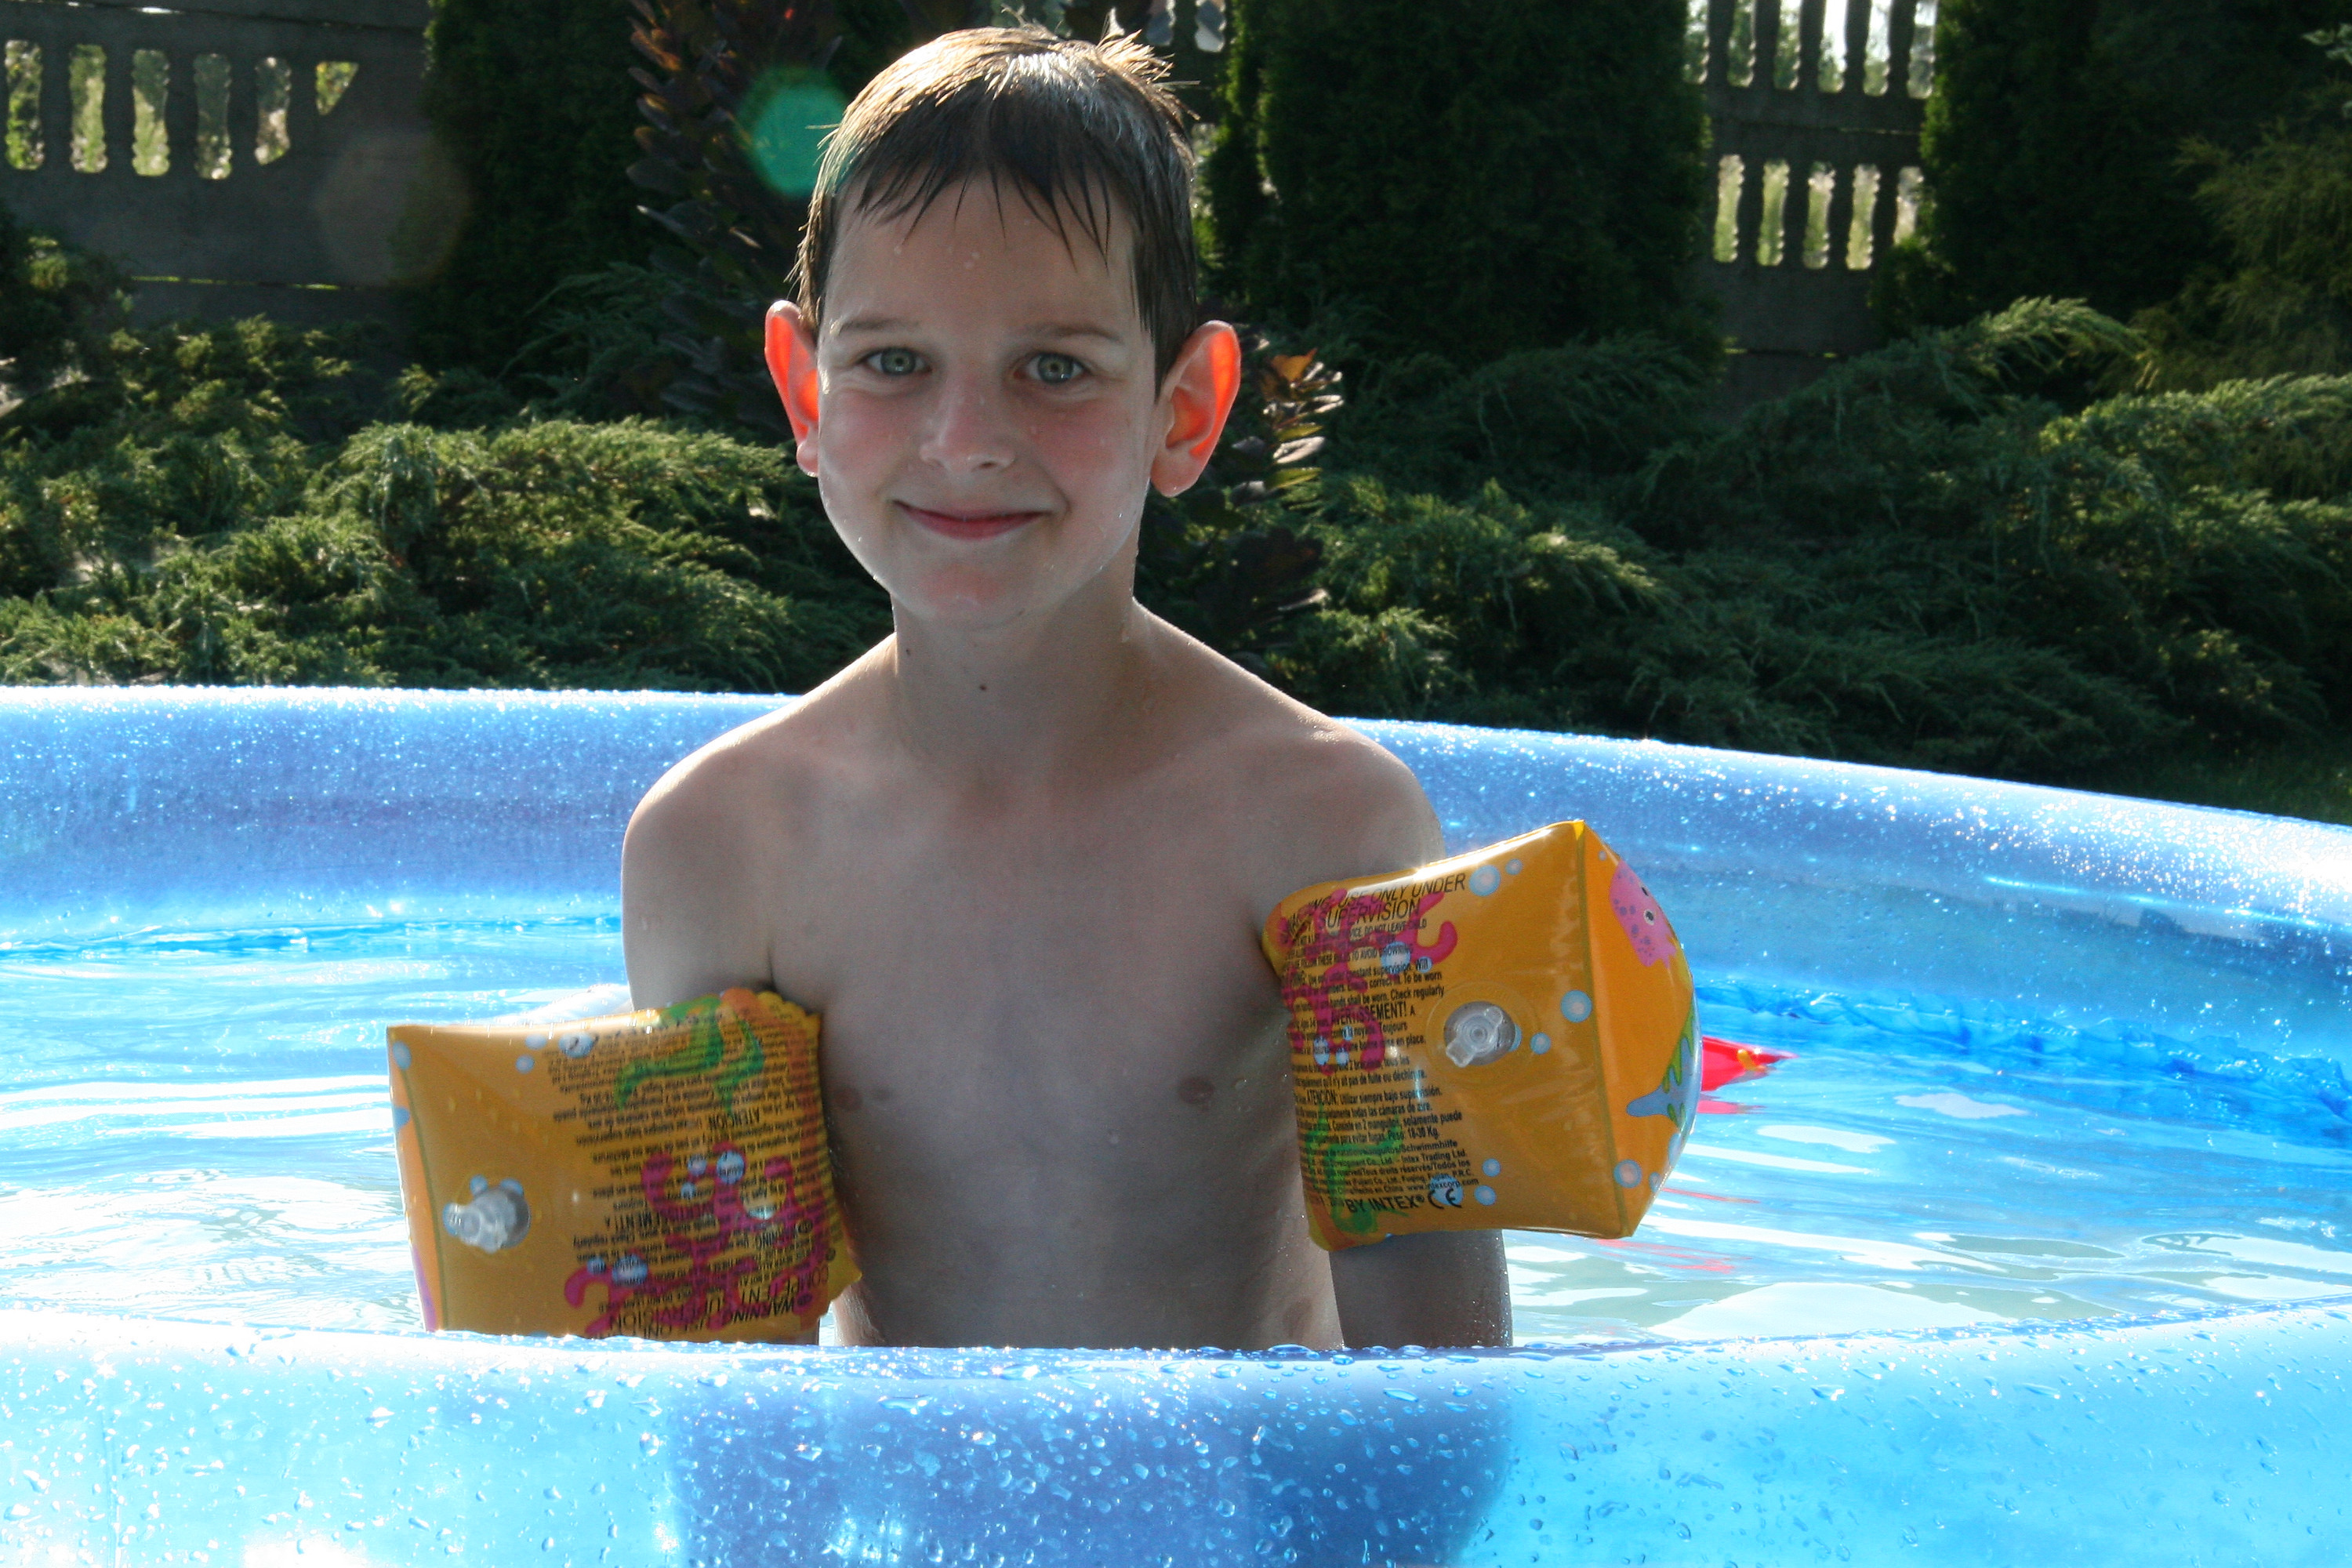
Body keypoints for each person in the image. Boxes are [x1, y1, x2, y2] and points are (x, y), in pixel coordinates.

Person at [622, 24, 1509, 1352]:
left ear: (1185, 410)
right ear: (805, 393)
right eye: (894, 362)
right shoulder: (722, 848)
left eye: (1055, 369)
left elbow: (1438, 1388)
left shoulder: (1325, 826)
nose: (966, 441)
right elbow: (730, 1408)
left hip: (1243, 1490)